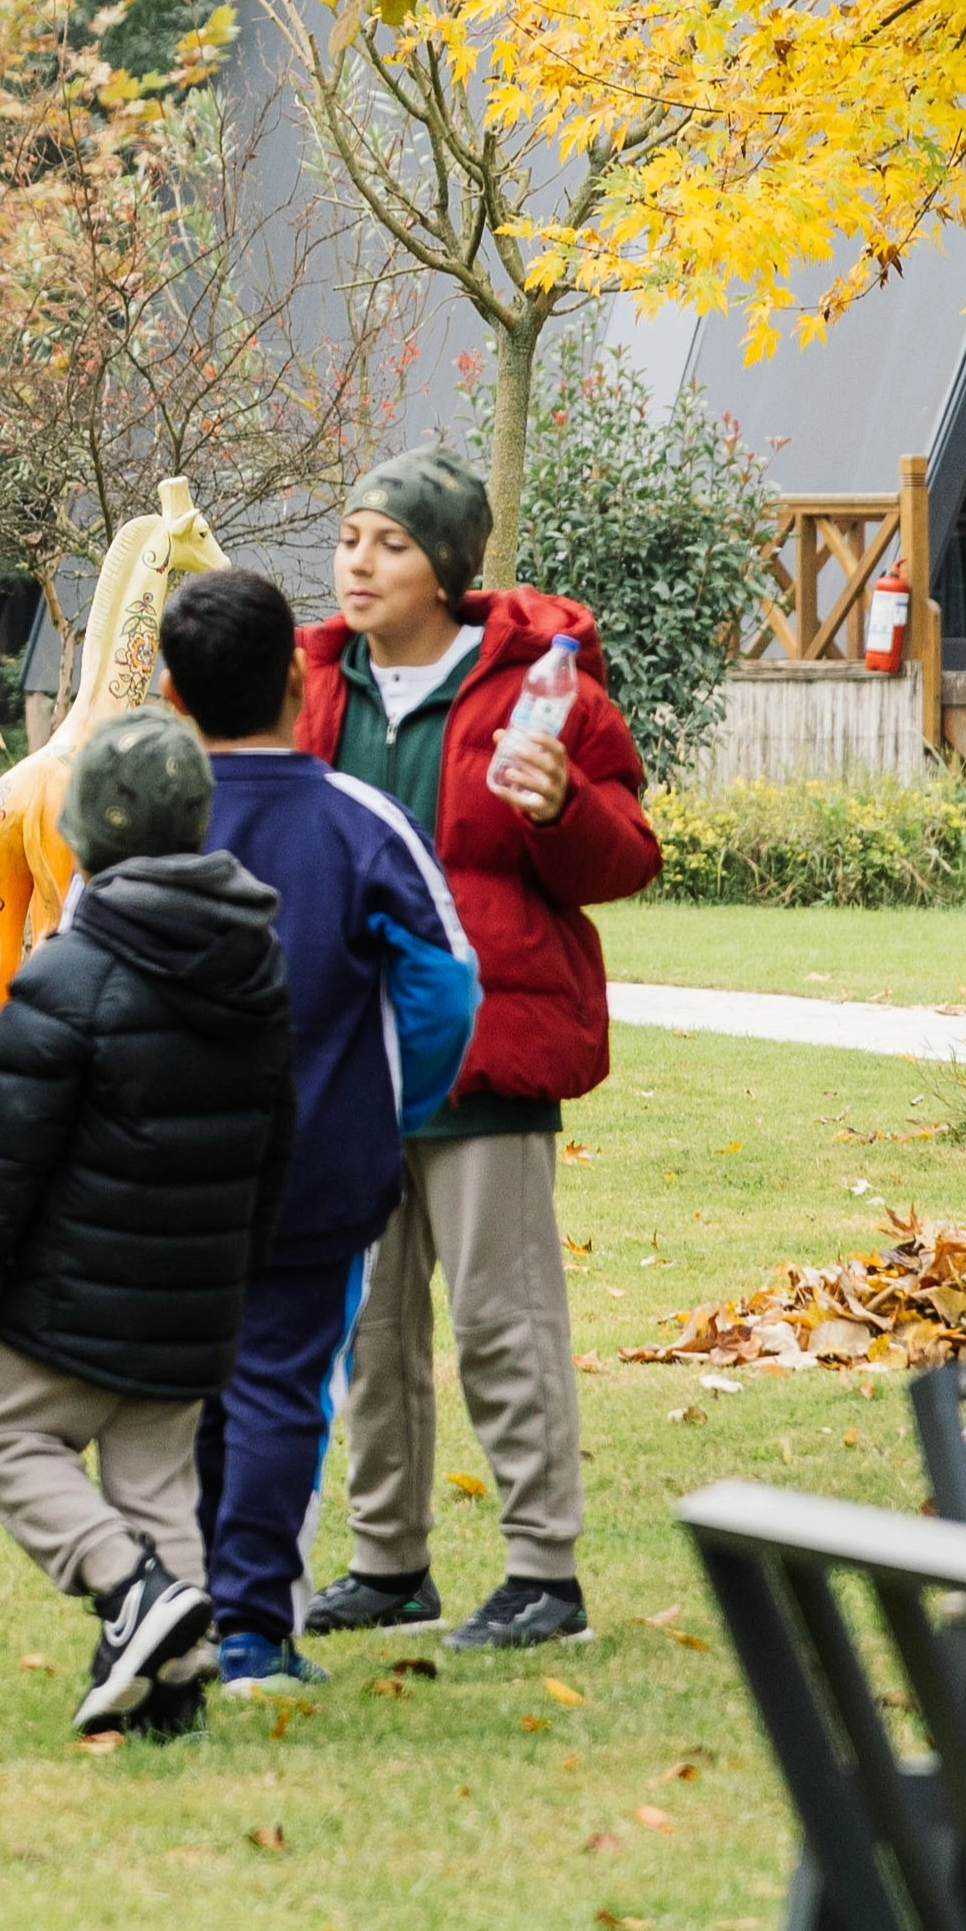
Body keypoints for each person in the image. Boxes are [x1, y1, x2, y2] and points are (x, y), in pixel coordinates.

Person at [290, 446, 659, 1660]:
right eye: (349, 537)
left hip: (483, 1052)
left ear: (448, 567)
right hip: (348, 1057)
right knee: (370, 1326)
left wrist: (560, 806)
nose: (358, 561)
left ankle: (542, 1573)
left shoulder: (543, 689)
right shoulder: (312, 687)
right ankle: (387, 1561)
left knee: (502, 1318)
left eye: (390, 541)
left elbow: (624, 859)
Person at [0, 704, 291, 1742]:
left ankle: (128, 1590)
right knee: (152, 1472)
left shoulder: (66, 973)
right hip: (198, 1290)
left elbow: (4, 1146)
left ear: (79, 832)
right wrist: (241, 1264)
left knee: (4, 1434)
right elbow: (276, 1136)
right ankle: (171, 1687)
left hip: (77, 1290)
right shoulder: (254, 966)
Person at [154, 565, 478, 1693]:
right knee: (283, 1387)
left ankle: (178, 1608)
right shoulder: (358, 822)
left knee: (191, 1390)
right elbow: (444, 987)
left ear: (169, 692)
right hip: (317, 1167)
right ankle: (249, 1631)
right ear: (300, 677)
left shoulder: (146, 822)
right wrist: (397, 1105)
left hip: (165, 1175)